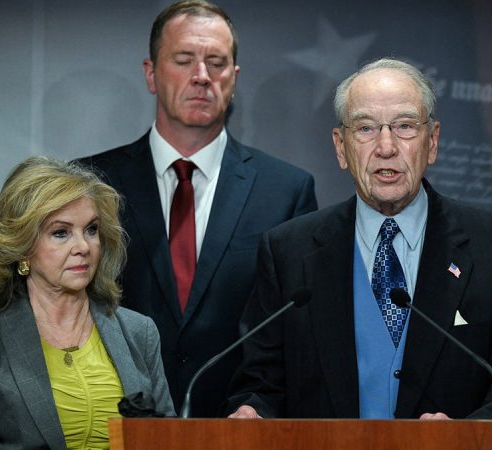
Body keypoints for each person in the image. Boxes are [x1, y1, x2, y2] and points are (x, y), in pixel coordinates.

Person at [225, 58, 492, 420]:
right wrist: (252, 410)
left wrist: (465, 435)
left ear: (433, 141)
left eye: (405, 126)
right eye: (365, 128)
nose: (386, 147)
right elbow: (260, 382)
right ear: (340, 147)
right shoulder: (288, 252)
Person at [77, 0, 317, 417]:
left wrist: (259, 408)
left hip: (239, 424)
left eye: (216, 63)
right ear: (151, 74)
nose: (202, 76)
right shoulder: (91, 184)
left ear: (234, 78)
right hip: (113, 420)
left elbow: (297, 332)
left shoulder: (286, 191)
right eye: (184, 60)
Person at [0, 157, 174, 450]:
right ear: (23, 246)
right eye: (61, 233)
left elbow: (169, 440)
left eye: (91, 230)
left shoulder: (139, 331)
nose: (83, 247)